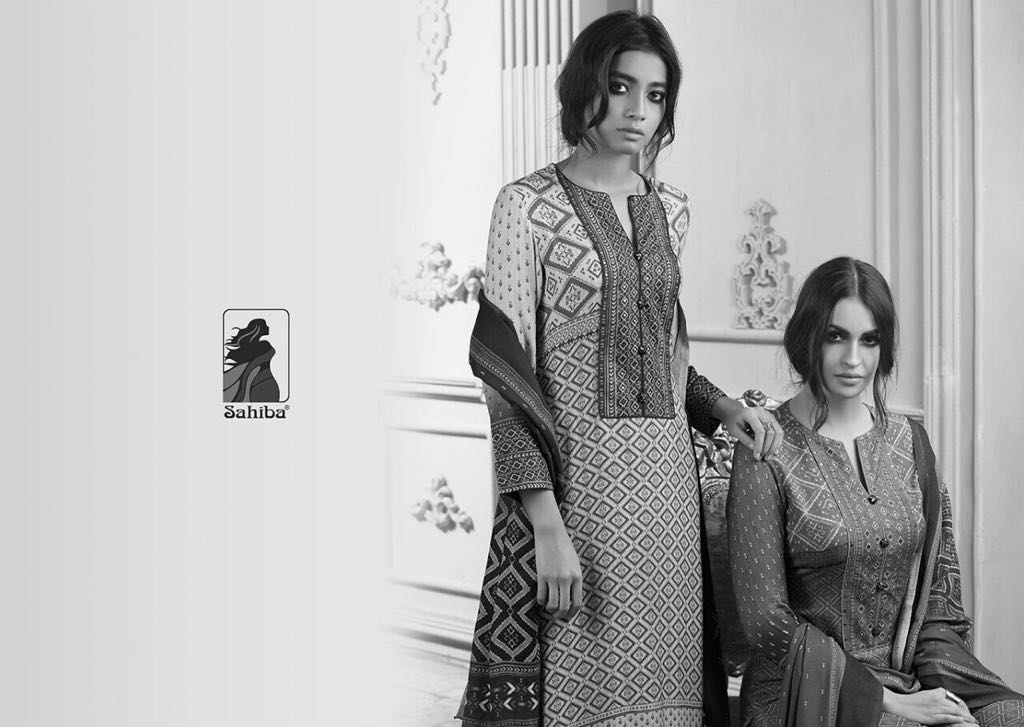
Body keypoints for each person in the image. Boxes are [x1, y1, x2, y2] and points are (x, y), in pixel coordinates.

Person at [457, 10, 784, 727]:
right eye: (620, 87)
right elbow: (506, 385)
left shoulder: (673, 211)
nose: (639, 110)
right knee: (579, 693)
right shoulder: (525, 208)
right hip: (579, 497)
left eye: (656, 94)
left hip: (668, 502)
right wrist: (546, 526)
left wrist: (725, 408)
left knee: (672, 699)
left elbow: (660, 356)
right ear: (585, 88)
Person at [727, 256, 1024, 726]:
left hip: (908, 679)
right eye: (835, 336)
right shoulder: (765, 451)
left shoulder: (911, 443)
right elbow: (767, 623)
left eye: (869, 340)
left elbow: (938, 600)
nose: (853, 359)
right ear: (807, 337)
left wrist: (938, 694)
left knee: (1010, 716)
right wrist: (889, 702)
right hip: (802, 696)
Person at [223, 318, 280, 402]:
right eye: (265, 325)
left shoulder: (258, 347)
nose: (268, 327)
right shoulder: (264, 346)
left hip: (261, 382)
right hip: (261, 383)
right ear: (259, 328)